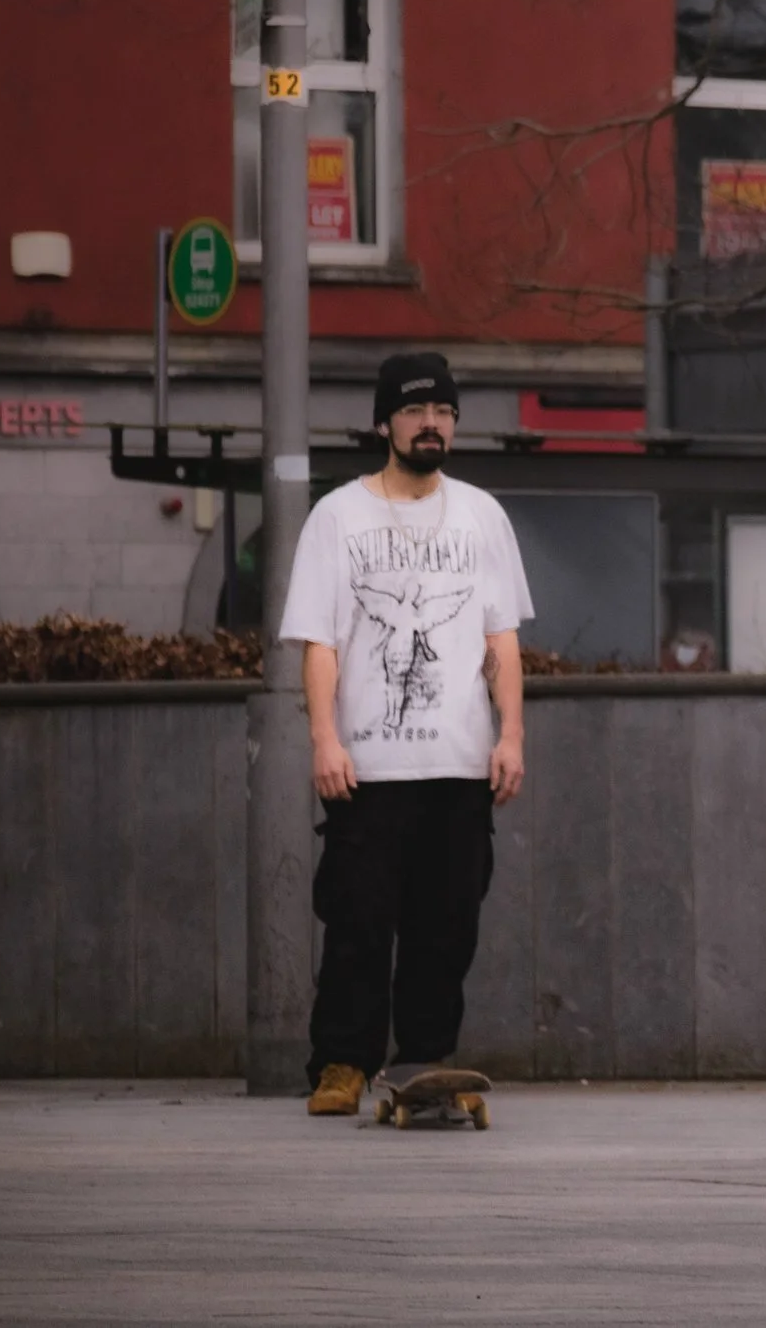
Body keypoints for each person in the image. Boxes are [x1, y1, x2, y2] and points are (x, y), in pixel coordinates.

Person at [281, 352, 535, 1115]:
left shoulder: (482, 515)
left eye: (445, 413)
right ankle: (342, 1065)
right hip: (368, 766)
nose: (433, 425)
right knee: (357, 922)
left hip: (458, 766)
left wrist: (511, 735)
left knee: (447, 926)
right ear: (384, 422)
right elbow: (319, 642)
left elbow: (503, 645)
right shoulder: (338, 517)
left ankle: (425, 1062)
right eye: (418, 412)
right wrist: (324, 739)